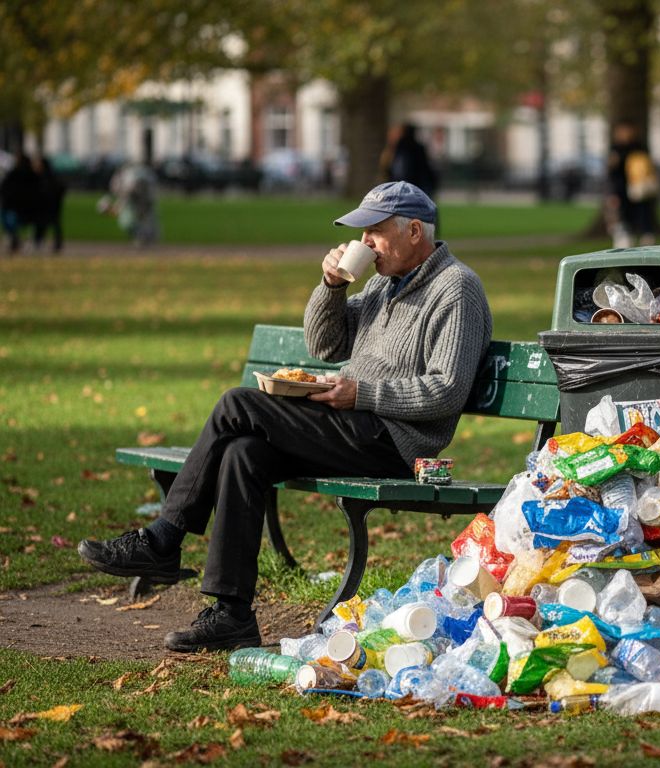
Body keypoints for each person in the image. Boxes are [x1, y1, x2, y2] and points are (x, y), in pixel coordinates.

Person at [77, 181, 493, 652]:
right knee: (243, 452)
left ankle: (164, 539)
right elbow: (326, 346)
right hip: (354, 424)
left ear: (414, 231)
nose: (365, 244)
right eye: (363, 234)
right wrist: (332, 287)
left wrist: (361, 393)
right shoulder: (382, 283)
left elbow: (446, 390)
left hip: (394, 443)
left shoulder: (456, 288)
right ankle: (232, 615)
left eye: (374, 232)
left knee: (237, 404)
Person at [607, 122, 659, 248]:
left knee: (642, 213)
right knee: (623, 214)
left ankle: (645, 237)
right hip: (622, 189)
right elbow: (613, 173)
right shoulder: (616, 149)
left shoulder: (639, 147)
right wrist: (613, 193)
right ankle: (625, 239)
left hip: (639, 187)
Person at [105, 161, 159, 247]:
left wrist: (112, 208)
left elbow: (127, 194)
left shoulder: (129, 179)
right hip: (140, 196)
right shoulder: (128, 178)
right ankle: (144, 236)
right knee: (132, 220)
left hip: (143, 197)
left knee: (138, 220)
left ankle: (146, 237)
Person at [388, 123, 438, 204]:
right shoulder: (417, 147)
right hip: (417, 182)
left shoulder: (399, 148)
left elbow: (396, 168)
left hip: (404, 182)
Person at [0, 154, 39, 253]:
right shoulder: (32, 175)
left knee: (9, 218)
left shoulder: (14, 174)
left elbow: (4, 188)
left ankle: (14, 239)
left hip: (16, 207)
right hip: (26, 208)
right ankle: (14, 239)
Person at [32, 155, 66, 253]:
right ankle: (50, 242)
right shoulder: (50, 176)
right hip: (51, 206)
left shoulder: (43, 178)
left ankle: (39, 241)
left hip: (47, 206)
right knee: (53, 223)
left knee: (45, 222)